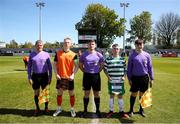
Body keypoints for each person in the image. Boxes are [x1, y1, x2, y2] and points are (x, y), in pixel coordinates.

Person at [127, 39, 154, 117]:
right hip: (135, 78)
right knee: (134, 94)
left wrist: (152, 78)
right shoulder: (132, 55)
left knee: (143, 95)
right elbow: (129, 68)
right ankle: (131, 110)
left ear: (143, 45)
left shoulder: (147, 55)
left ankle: (141, 110)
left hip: (144, 77)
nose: (139, 46)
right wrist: (129, 79)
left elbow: (150, 67)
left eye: (141, 44)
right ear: (135, 45)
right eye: (138, 44)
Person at [53, 37, 78, 117]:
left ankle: (72, 109)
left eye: (68, 42)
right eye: (65, 42)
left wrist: (73, 75)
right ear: (63, 43)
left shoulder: (74, 55)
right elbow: (54, 64)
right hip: (60, 77)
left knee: (71, 94)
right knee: (59, 93)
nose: (66, 43)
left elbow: (77, 66)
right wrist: (56, 74)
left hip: (69, 78)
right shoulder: (58, 53)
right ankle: (59, 108)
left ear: (70, 44)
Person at [79, 40, 104, 118]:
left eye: (92, 44)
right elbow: (80, 65)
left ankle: (97, 110)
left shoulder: (99, 55)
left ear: (95, 45)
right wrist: (86, 71)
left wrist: (97, 71)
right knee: (86, 93)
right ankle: (85, 110)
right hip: (87, 76)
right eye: (89, 44)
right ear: (87, 45)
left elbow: (102, 65)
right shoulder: (83, 55)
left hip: (96, 76)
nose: (91, 45)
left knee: (96, 93)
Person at [27, 40, 52, 116]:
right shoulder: (31, 55)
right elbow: (29, 67)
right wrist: (29, 77)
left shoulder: (46, 54)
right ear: (35, 46)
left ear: (43, 46)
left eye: (41, 45)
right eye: (38, 45)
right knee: (36, 93)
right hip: (35, 76)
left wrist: (50, 76)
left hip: (44, 76)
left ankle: (46, 108)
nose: (39, 46)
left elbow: (50, 67)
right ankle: (37, 108)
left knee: (44, 93)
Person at [104, 44, 129, 118]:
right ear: (112, 50)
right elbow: (105, 69)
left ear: (119, 50)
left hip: (120, 80)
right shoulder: (108, 59)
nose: (115, 50)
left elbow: (125, 69)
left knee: (120, 96)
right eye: (114, 48)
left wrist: (124, 77)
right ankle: (111, 111)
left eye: (117, 49)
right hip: (112, 80)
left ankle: (121, 111)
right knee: (112, 96)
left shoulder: (122, 59)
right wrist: (108, 77)